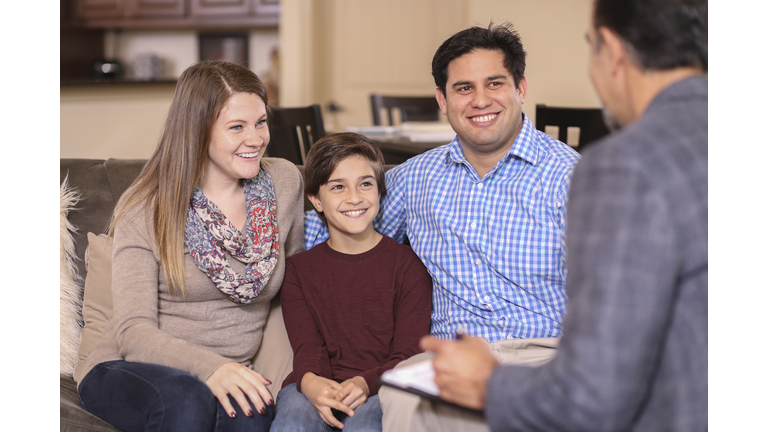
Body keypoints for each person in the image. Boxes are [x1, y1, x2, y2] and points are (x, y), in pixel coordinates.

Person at [421, 0, 708, 430]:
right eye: (464, 88)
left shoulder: (620, 165)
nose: (479, 99)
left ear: (609, 49)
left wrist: (490, 384)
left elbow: (594, 392)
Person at [305, 23, 580, 431]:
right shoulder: (413, 180)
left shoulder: (574, 177)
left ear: (520, 88)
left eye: (495, 83)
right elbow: (332, 243)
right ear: (442, 99)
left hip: (547, 353)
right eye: (464, 88)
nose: (480, 100)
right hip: (446, 355)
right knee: (403, 393)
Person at [74, 60, 306, 432]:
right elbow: (133, 331)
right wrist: (211, 368)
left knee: (253, 415)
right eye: (236, 127)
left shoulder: (284, 182)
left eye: (260, 122)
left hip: (232, 371)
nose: (256, 139)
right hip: (128, 366)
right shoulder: (147, 205)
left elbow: (301, 284)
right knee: (186, 398)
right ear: (197, 131)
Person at [270, 133, 433, 432]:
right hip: (314, 382)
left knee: (366, 425)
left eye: (365, 184)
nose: (355, 197)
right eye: (338, 187)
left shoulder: (409, 265)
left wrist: (365, 382)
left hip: (384, 383)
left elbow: (409, 353)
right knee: (292, 420)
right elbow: (307, 347)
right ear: (316, 200)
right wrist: (311, 383)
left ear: (379, 193)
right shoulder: (298, 270)